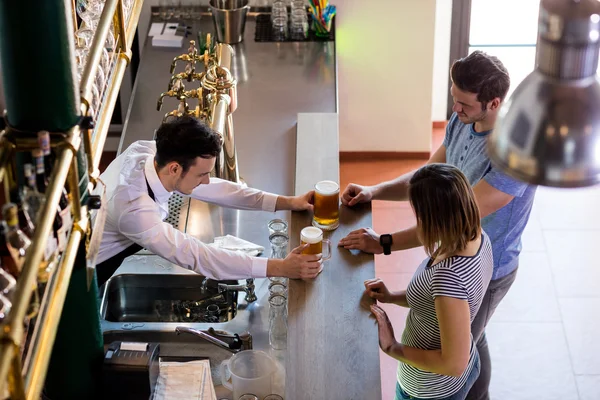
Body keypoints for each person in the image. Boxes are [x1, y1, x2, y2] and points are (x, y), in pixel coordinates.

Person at [339, 51, 536, 400]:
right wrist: (375, 191)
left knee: (464, 343)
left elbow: (448, 218)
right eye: (453, 99)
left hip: (488, 266)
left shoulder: (514, 152)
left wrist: (383, 242)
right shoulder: (463, 120)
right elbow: (428, 179)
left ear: (493, 102)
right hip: (465, 250)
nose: (455, 111)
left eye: (464, 105)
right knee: (471, 334)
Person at [94, 116, 321, 287]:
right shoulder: (134, 209)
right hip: (86, 269)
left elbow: (217, 189)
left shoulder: (151, 152)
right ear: (175, 168)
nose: (205, 182)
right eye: (201, 174)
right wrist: (280, 267)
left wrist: (288, 202)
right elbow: (198, 256)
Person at [367, 163, 493, 400]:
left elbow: (453, 364)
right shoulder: (477, 237)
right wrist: (392, 296)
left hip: (430, 390)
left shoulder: (448, 278)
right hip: (454, 374)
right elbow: (434, 303)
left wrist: (392, 347)